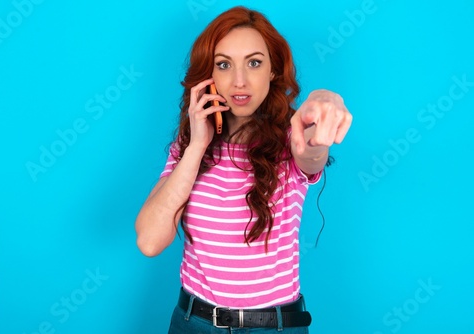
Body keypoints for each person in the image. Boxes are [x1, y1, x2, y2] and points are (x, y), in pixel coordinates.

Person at [135, 6, 352, 333]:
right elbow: (150, 242)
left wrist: (325, 101)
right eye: (224, 65)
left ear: (273, 70)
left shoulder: (291, 138)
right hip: (194, 323)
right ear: (209, 76)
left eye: (254, 63)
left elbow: (311, 150)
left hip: (275, 327)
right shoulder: (187, 148)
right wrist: (196, 147)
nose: (239, 81)